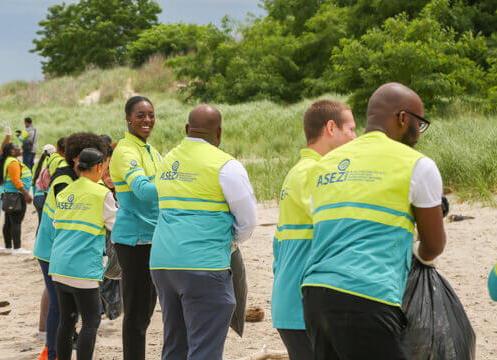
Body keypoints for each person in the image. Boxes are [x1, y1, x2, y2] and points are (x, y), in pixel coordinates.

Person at [301, 83, 447, 360]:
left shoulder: (325, 164)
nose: (419, 132)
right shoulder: (417, 164)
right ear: (403, 118)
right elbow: (434, 244)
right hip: (368, 297)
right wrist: (419, 257)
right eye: (420, 123)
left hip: (315, 297)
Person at [150, 105, 259, 360]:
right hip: (203, 264)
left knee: (175, 343)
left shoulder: (167, 161)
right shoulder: (226, 165)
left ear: (187, 129)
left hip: (163, 264)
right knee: (205, 347)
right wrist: (230, 241)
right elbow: (248, 221)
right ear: (219, 133)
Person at [271, 100, 356, 360]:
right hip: (303, 307)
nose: (355, 137)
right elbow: (340, 225)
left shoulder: (298, 172)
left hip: (291, 302)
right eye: (351, 129)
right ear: (331, 128)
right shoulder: (315, 172)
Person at [33, 133, 108, 360]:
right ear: (76, 158)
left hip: (61, 253)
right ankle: (52, 352)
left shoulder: (78, 181)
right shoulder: (65, 180)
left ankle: (55, 349)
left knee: (66, 310)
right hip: (55, 249)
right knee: (64, 308)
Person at [49, 146, 116, 360]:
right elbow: (116, 225)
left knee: (67, 321)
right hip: (83, 268)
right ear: (98, 166)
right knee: (91, 321)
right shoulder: (101, 193)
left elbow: (56, 222)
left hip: (60, 265)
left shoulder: (67, 190)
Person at [109, 96, 162, 360]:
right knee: (137, 313)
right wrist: (179, 185)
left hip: (155, 238)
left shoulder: (151, 150)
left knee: (147, 310)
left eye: (151, 115)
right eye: (140, 115)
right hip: (134, 240)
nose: (147, 120)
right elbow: (142, 190)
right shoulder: (125, 151)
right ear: (128, 118)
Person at [0, 142, 34, 254]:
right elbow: (16, 180)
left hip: (9, 194)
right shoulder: (13, 162)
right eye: (17, 147)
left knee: (9, 221)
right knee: (16, 221)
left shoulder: (8, 161)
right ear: (12, 151)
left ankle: (8, 247)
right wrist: (26, 194)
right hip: (16, 195)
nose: (19, 148)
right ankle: (17, 248)